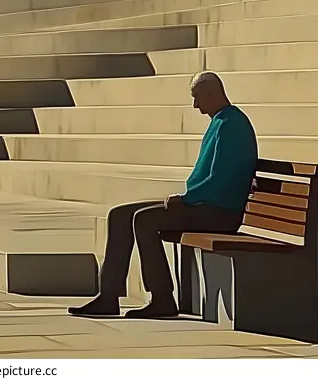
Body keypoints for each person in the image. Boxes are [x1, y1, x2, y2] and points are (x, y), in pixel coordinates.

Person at [69, 71, 258, 320]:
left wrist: (186, 199)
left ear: (212, 93)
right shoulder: (220, 121)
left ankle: (162, 298)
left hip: (219, 211)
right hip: (204, 204)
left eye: (198, 98)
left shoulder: (231, 124)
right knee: (120, 215)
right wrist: (187, 198)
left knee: (144, 220)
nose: (195, 105)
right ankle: (108, 296)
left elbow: (221, 179)